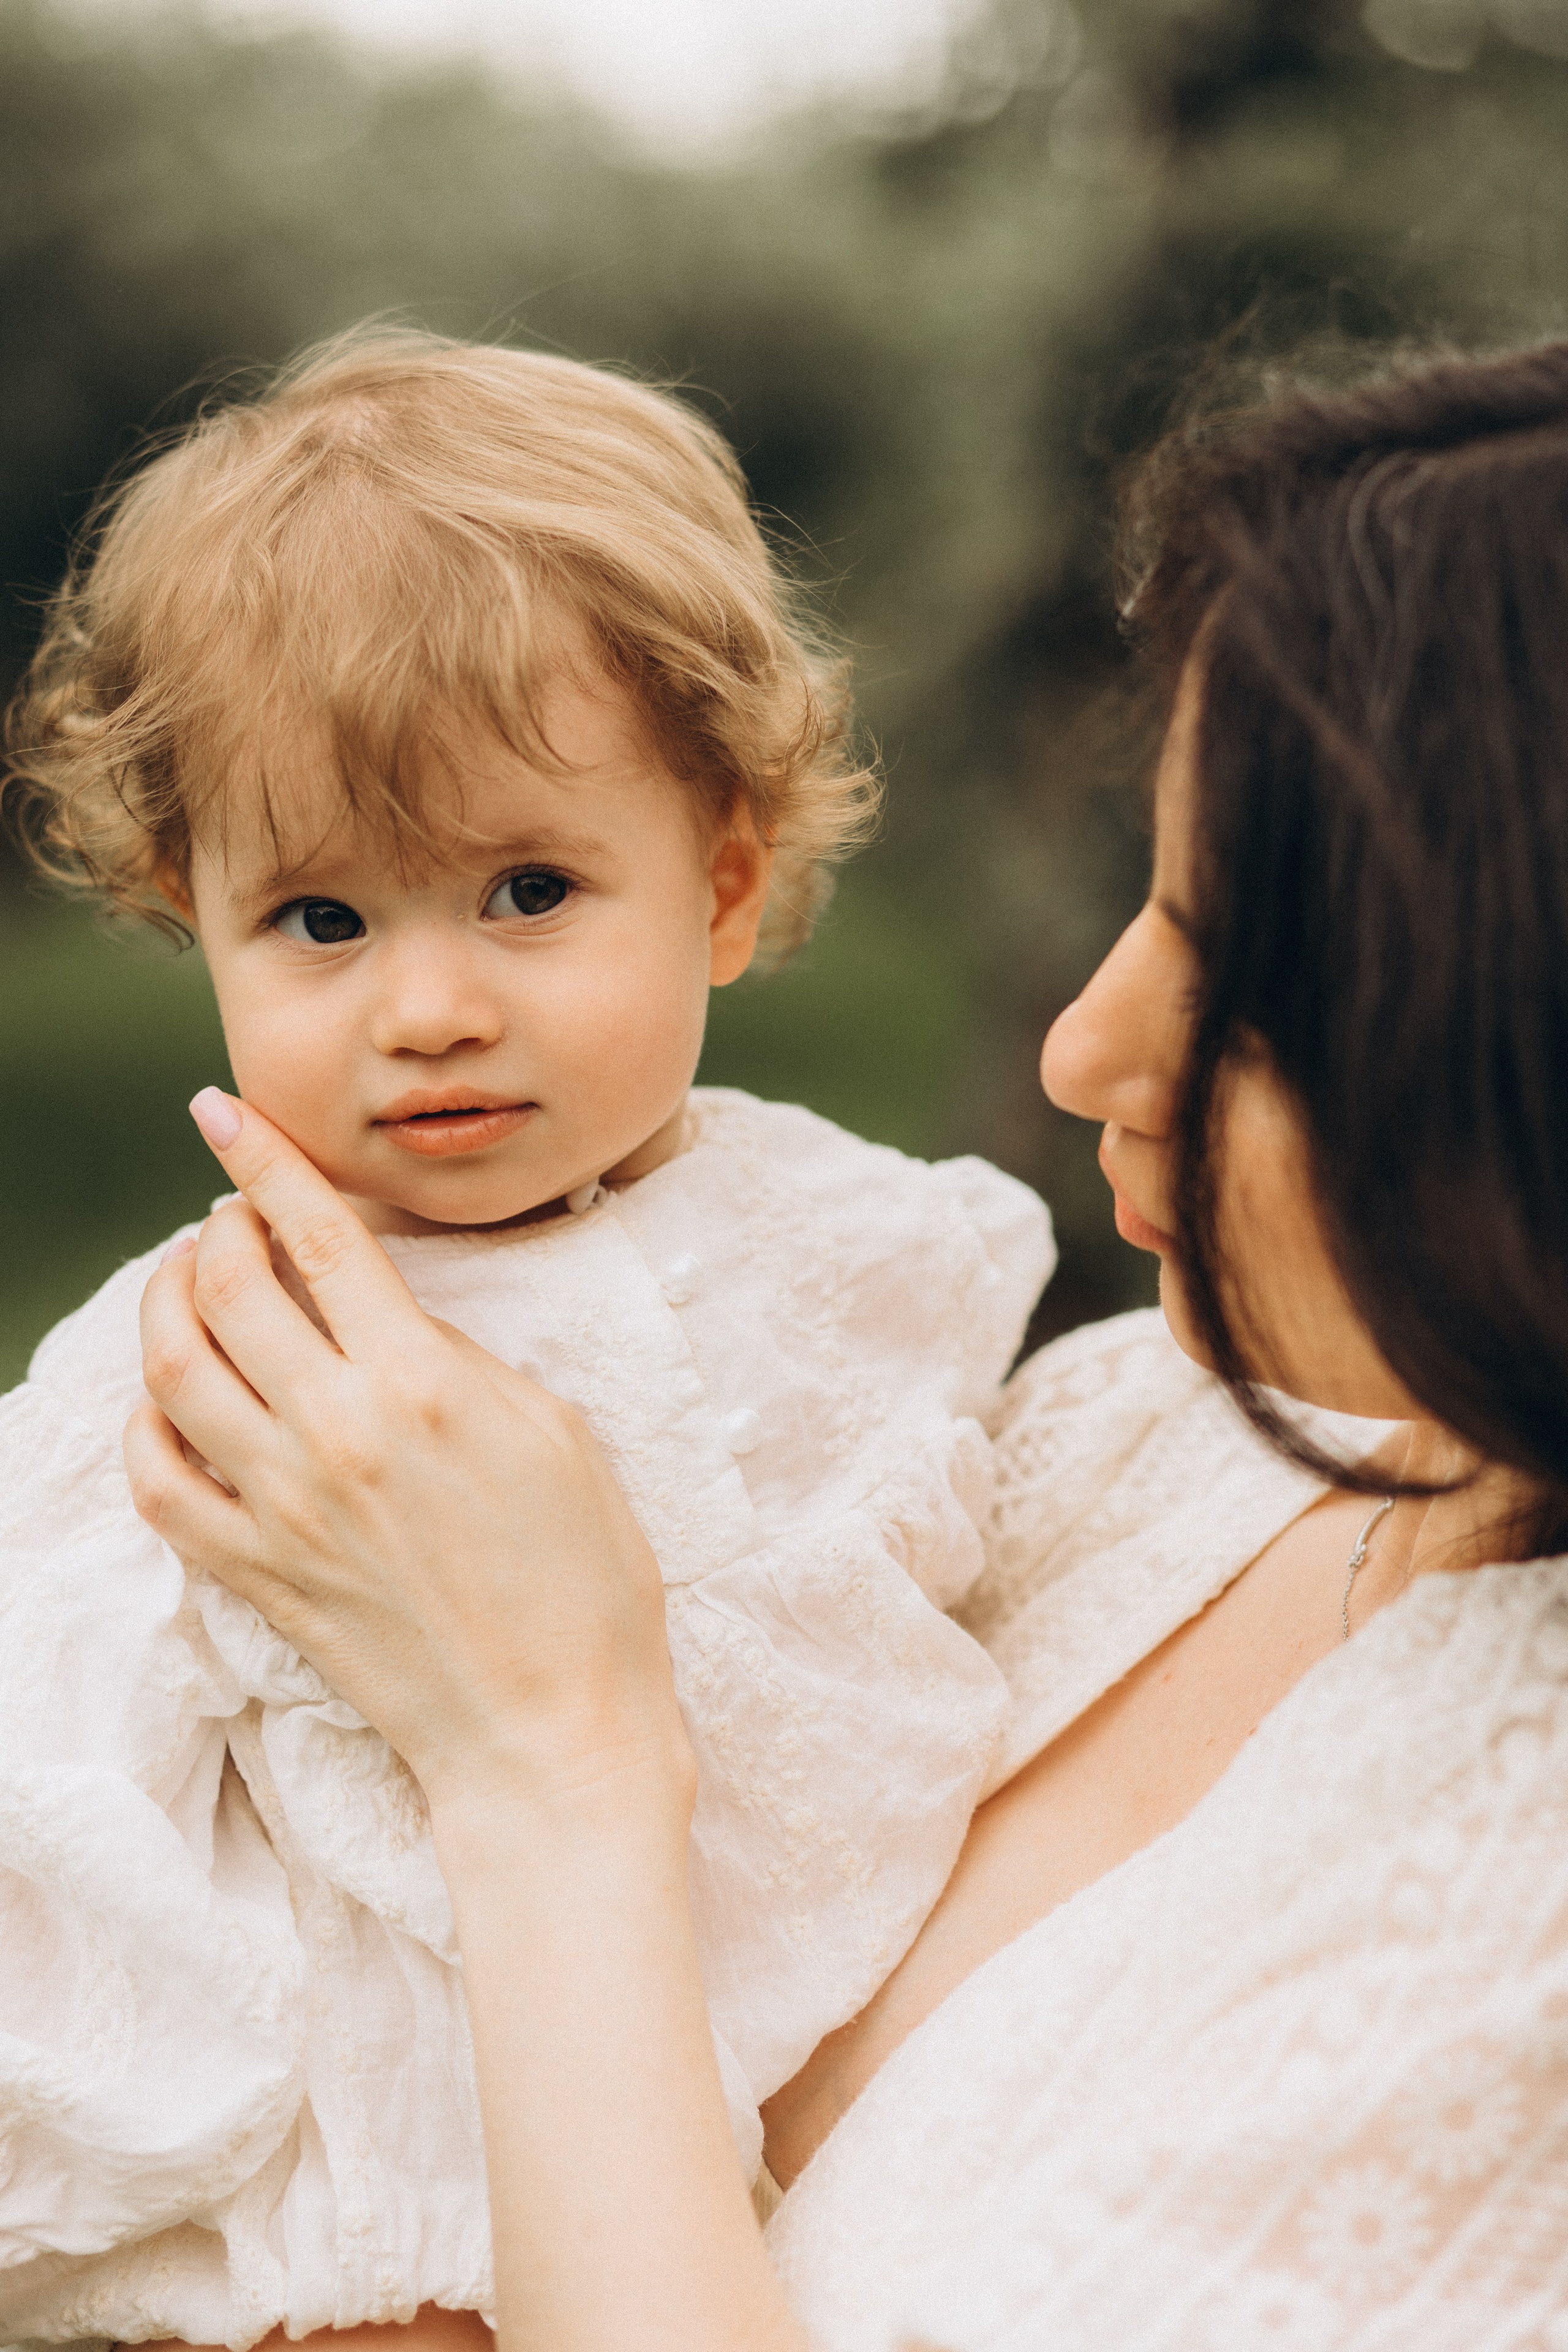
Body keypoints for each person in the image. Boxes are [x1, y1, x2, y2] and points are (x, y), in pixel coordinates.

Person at [108, 334, 1568, 2352]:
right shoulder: (1141, 1421)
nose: (1081, 1046)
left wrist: (542, 1750)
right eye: (1143, 897)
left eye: (1239, 961)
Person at [0, 331, 1055, 2350]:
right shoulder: (210, 1346)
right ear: (184, 909)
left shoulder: (854, 1247)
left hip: (721, 2175)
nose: (429, 1006)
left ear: (727, 886)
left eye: (529, 890)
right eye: (322, 921)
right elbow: (55, 1746)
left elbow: (924, 1596)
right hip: (295, 2252)